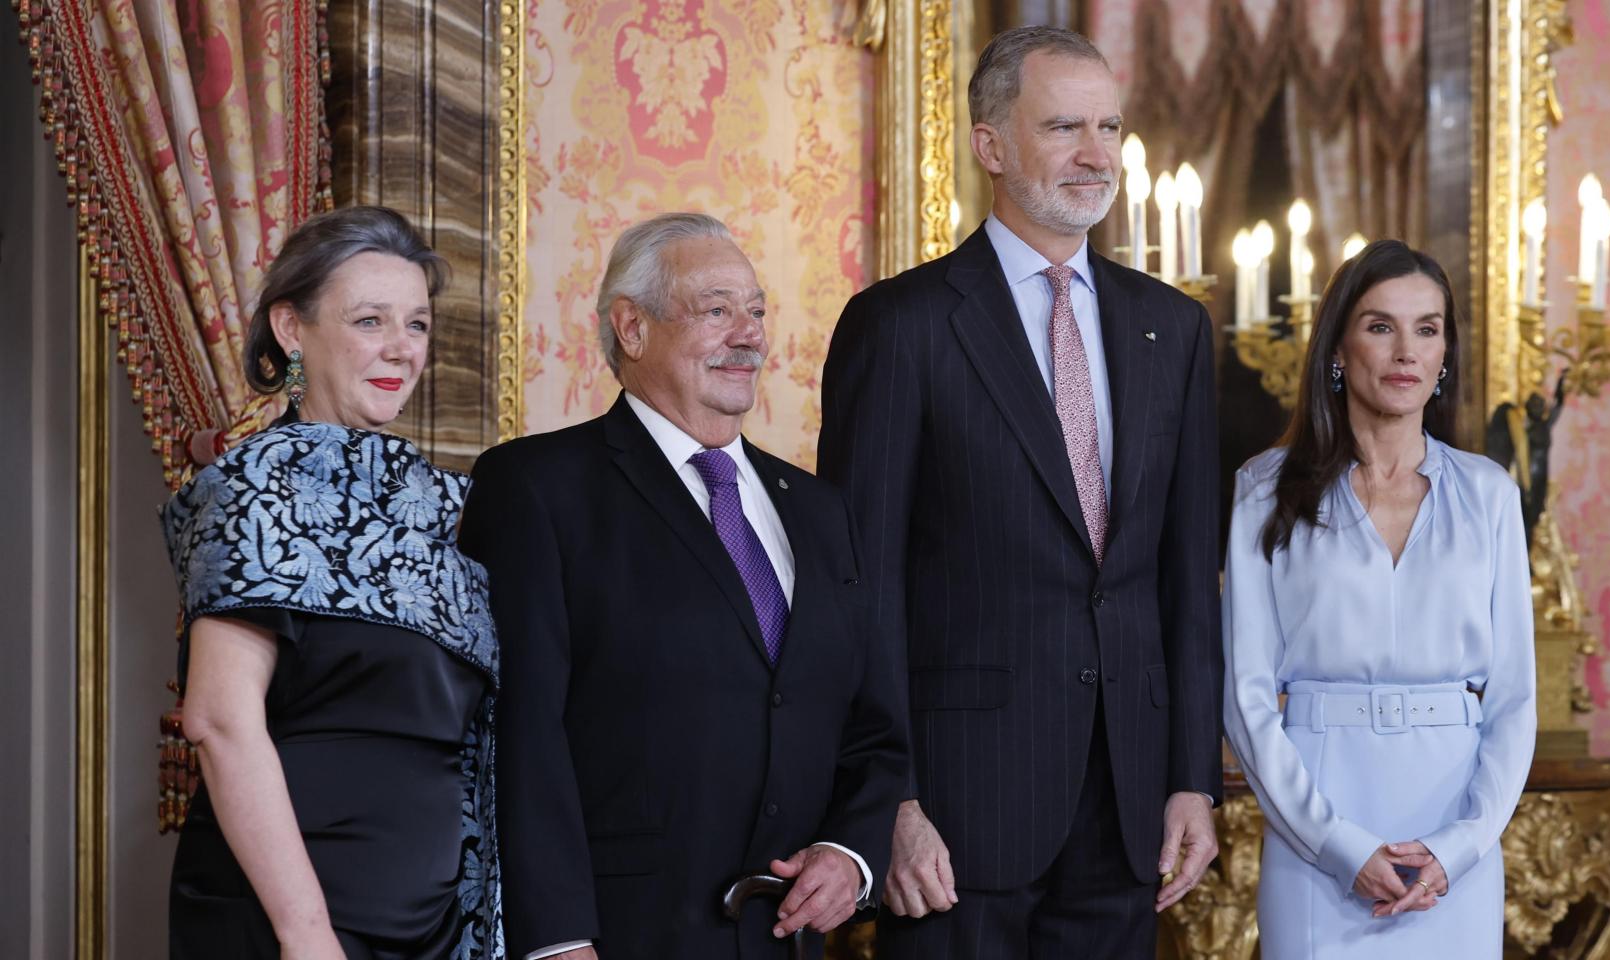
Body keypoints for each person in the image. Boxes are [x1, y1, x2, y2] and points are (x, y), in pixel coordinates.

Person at [817, 25, 1224, 958]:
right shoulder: (903, 326)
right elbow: (860, 586)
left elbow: (1181, 578)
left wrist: (1191, 778)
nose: (1096, 155)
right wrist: (889, 800)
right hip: (957, 818)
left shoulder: (1173, 329)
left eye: (1110, 128)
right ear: (990, 144)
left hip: (1127, 810)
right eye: (1064, 127)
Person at [459, 213, 908, 960]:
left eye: (757, 311)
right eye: (717, 310)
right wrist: (557, 939)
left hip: (784, 940)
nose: (749, 335)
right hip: (618, 936)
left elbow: (873, 725)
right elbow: (520, 736)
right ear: (631, 328)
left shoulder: (823, 512)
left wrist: (850, 853)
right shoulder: (537, 488)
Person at [162, 206, 503, 960]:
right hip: (289, 925)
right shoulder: (253, 490)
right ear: (292, 329)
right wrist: (306, 934)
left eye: (416, 325)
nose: (400, 349)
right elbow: (219, 721)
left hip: (440, 924)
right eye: (370, 320)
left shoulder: (456, 509)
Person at [1221, 239, 1537, 957]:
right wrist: (1336, 844)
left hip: (1452, 840)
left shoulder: (1487, 493)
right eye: (1380, 325)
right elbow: (1244, 695)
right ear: (1337, 347)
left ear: (1444, 354)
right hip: (1319, 836)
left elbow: (1515, 700)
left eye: (1427, 328)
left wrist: (1459, 846)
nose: (1406, 352)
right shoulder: (1264, 489)